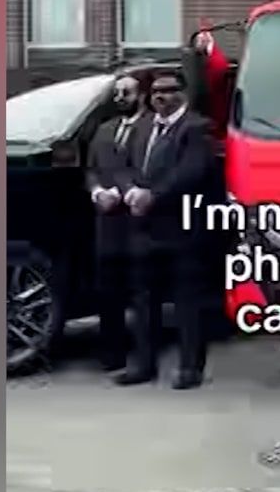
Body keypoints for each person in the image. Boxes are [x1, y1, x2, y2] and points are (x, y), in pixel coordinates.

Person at [116, 68, 222, 390]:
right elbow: (124, 165)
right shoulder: (143, 127)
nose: (160, 96)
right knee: (143, 300)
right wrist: (130, 191)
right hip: (144, 227)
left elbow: (190, 173)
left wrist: (153, 196)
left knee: (187, 301)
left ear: (182, 94)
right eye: (156, 91)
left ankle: (190, 368)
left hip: (182, 229)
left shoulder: (197, 128)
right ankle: (144, 365)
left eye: (168, 90)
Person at [85, 73, 148, 371]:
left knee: (141, 292)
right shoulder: (104, 129)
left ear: (141, 95)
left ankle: (144, 354)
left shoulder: (152, 127)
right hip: (107, 223)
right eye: (117, 93)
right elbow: (91, 169)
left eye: (126, 92)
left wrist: (122, 193)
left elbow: (151, 169)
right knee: (108, 291)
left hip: (139, 224)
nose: (119, 98)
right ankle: (112, 353)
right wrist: (97, 192)